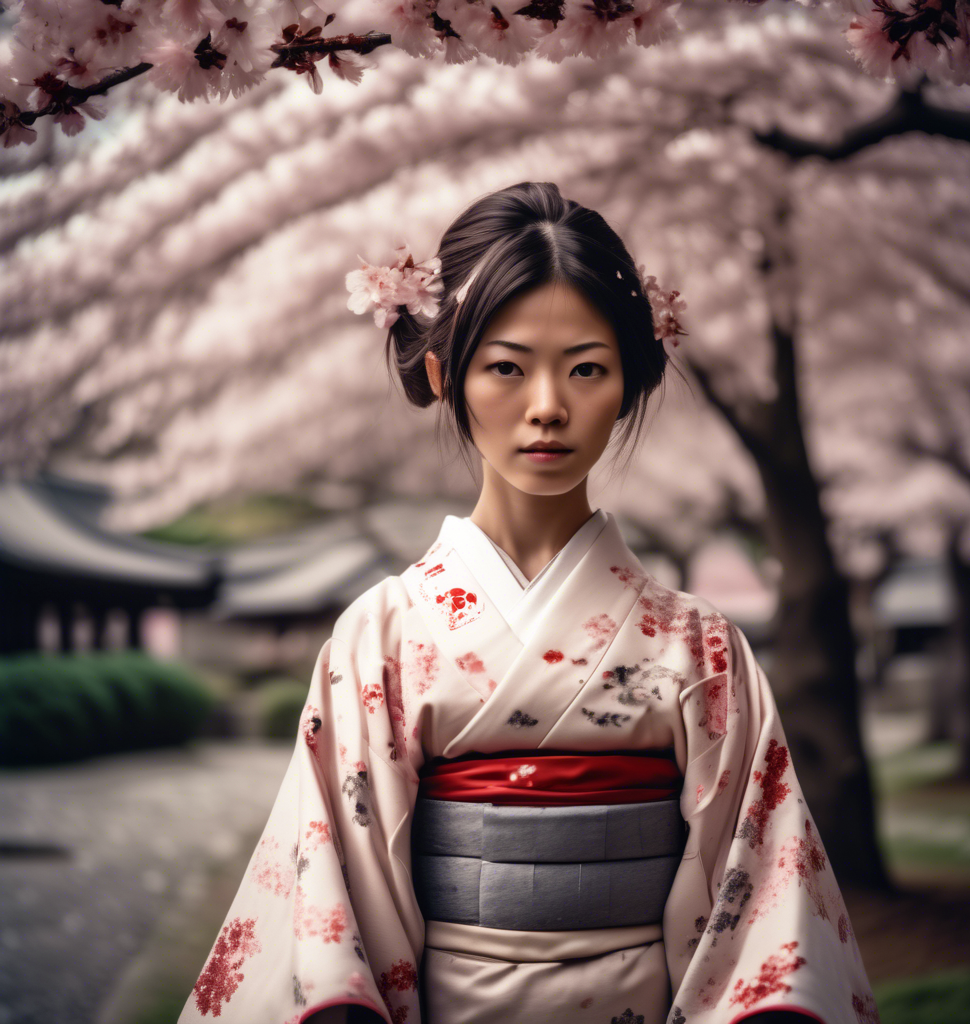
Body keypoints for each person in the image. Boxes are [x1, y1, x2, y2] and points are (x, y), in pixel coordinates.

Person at [178, 181, 877, 1024]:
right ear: (444, 374)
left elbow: (763, 904)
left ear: (630, 380)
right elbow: (330, 907)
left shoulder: (701, 648)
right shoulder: (381, 636)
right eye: (506, 368)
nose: (548, 407)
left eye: (587, 369)